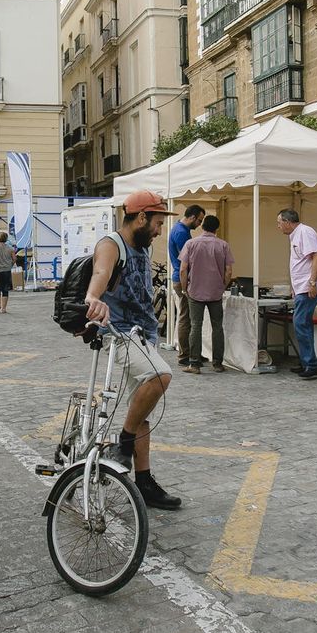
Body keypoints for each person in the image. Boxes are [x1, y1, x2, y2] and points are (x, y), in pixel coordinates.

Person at [84, 190, 181, 510]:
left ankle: (145, 481)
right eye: (157, 223)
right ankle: (124, 443)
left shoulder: (142, 246)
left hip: (144, 333)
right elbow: (101, 273)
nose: (159, 231)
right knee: (160, 376)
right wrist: (93, 297)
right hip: (120, 334)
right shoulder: (111, 244)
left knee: (142, 410)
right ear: (141, 218)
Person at [276, 208, 317, 379]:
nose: (278, 226)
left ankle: (310, 364)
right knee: (303, 322)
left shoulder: (304, 232)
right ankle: (307, 361)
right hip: (302, 286)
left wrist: (312, 283)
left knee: (300, 322)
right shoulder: (296, 234)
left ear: (287, 222)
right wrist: (295, 286)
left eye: (279, 222)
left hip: (308, 286)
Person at [178, 214, 234, 374]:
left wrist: (184, 288)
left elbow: (183, 269)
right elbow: (229, 271)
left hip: (195, 291)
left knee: (195, 325)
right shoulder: (223, 245)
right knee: (217, 327)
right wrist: (222, 286)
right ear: (217, 228)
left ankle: (194, 364)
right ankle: (217, 363)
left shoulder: (191, 244)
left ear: (202, 226)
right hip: (215, 292)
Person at [168, 205, 205, 367]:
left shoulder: (179, 228)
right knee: (186, 317)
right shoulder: (182, 232)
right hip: (183, 278)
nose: (199, 224)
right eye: (199, 220)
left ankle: (190, 352)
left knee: (187, 317)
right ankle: (185, 355)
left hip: (181, 277)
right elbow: (187, 261)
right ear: (192, 217)